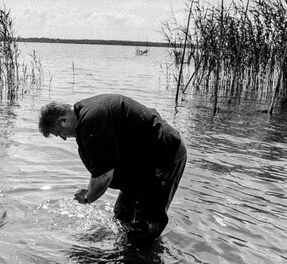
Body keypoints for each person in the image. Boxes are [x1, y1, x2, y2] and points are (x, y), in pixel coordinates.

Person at [39, 93, 186, 240]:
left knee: (145, 228)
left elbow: (104, 177)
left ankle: (142, 258)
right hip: (141, 163)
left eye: (59, 133)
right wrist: (90, 188)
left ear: (63, 120)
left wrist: (88, 198)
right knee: (122, 215)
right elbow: (100, 165)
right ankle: (125, 253)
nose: (64, 138)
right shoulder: (88, 114)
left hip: (164, 157)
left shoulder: (91, 121)